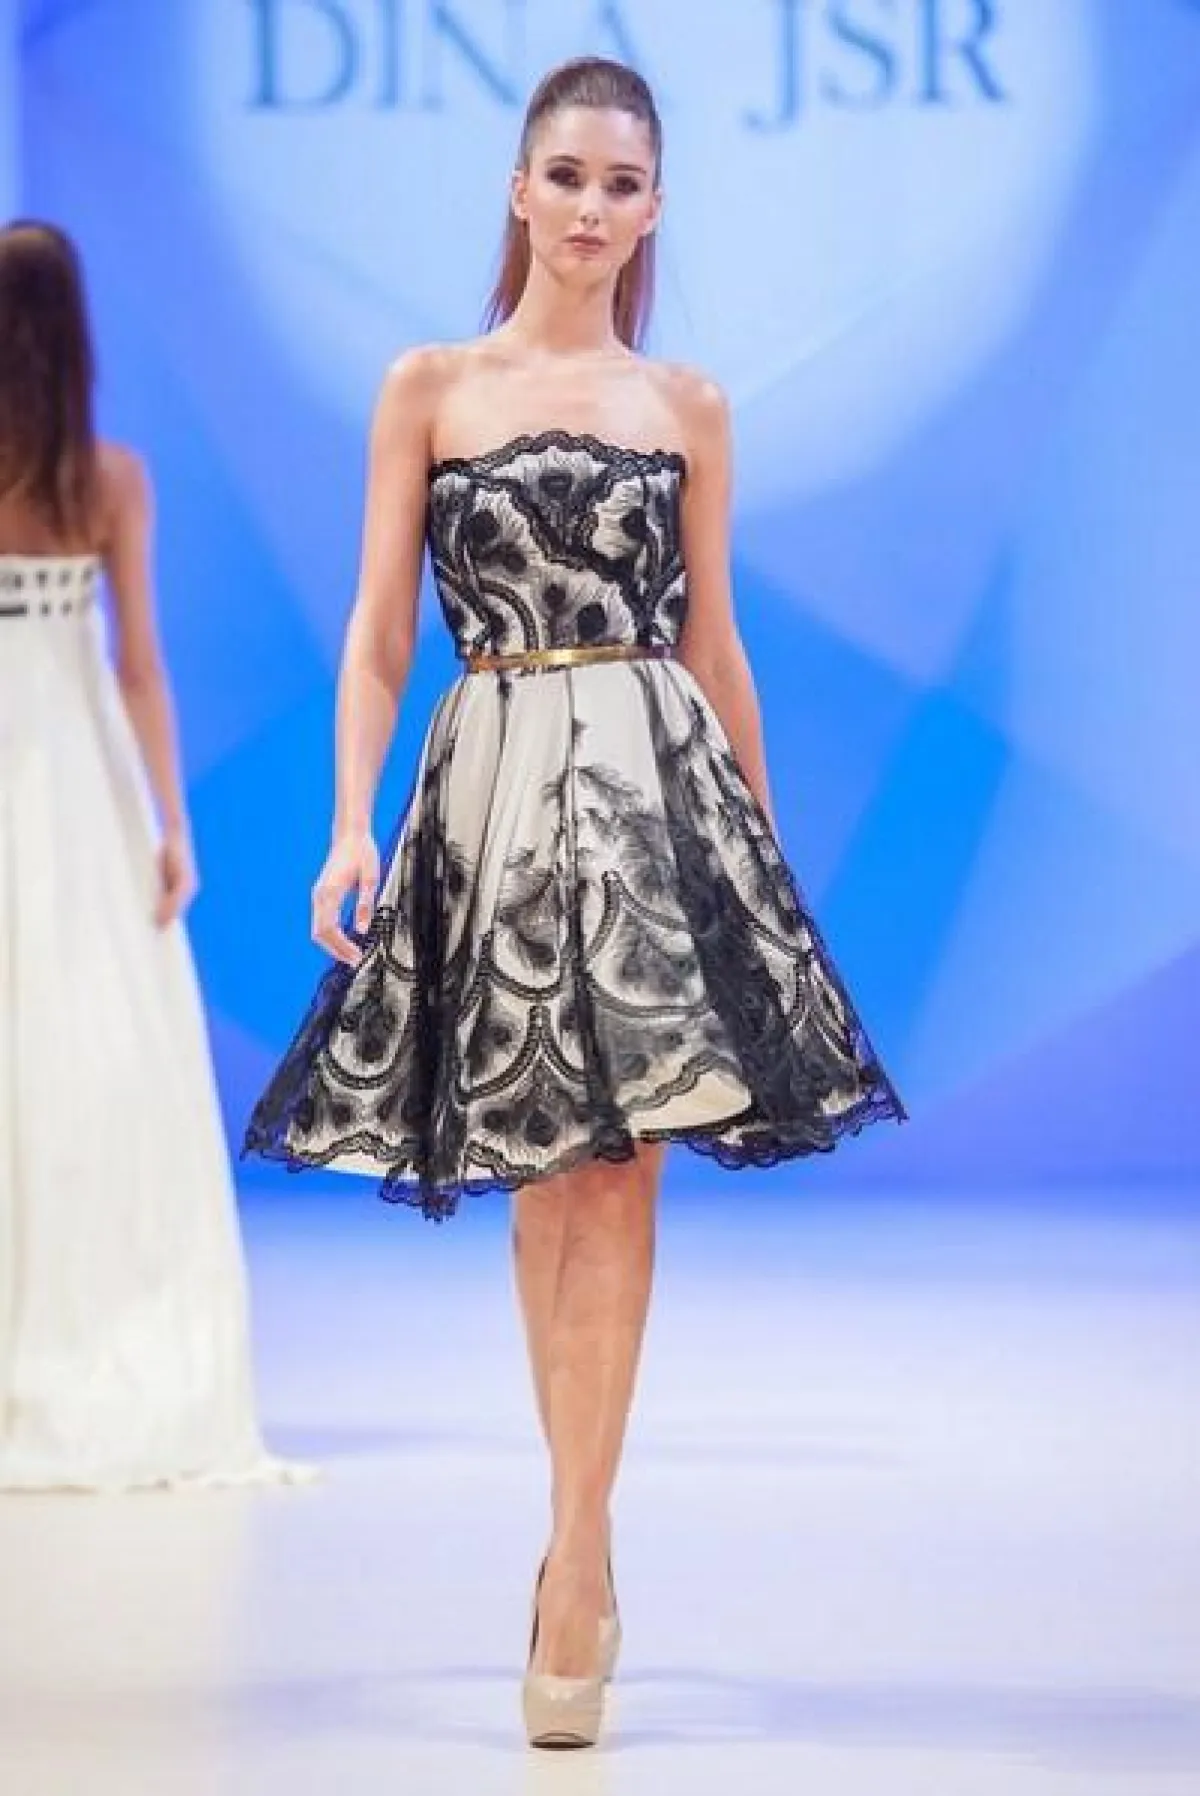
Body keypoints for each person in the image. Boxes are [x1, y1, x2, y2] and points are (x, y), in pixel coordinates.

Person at [245, 57, 904, 1745]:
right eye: (568, 175)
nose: (593, 207)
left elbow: (715, 643)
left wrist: (762, 858)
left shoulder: (690, 405)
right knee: (544, 1188)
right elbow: (379, 634)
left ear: (655, 206)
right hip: (491, 793)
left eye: (623, 182)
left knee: (618, 1179)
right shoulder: (429, 388)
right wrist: (346, 824)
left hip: (652, 800)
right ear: (518, 189)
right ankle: (575, 1537)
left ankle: (577, 1563)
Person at [0, 220, 305, 1493]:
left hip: (51, 772)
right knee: (85, 1049)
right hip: (74, 782)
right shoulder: (110, 478)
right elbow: (138, 669)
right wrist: (174, 822)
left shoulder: (107, 478)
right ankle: (90, 1332)